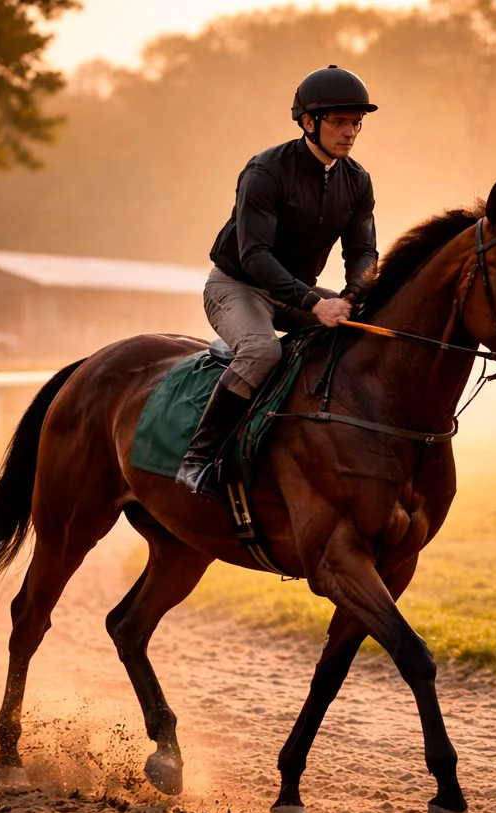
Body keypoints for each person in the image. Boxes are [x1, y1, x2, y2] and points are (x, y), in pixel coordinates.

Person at [176, 65, 378, 498]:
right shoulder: (265, 171)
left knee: (362, 335)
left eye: (356, 123)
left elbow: (363, 252)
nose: (350, 132)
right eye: (339, 121)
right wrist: (314, 302)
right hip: (236, 285)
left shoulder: (357, 180)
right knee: (262, 350)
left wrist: (354, 294)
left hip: (296, 294)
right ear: (309, 122)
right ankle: (198, 459)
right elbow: (254, 256)